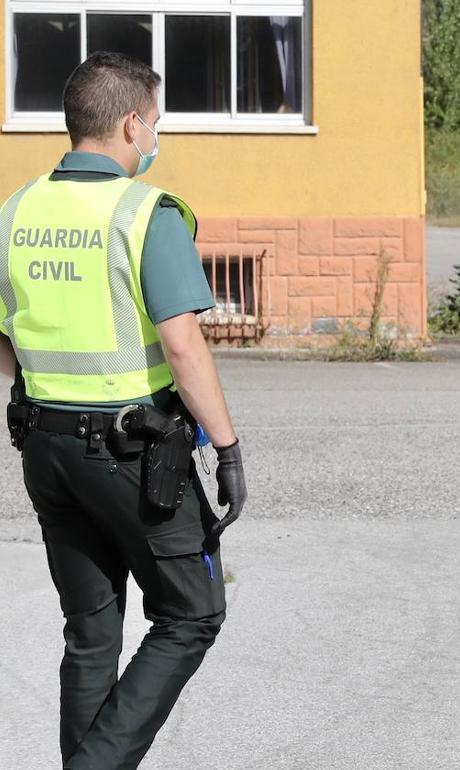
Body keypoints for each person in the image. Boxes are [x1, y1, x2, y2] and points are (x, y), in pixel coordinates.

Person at [0, 52, 246, 769]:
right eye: (157, 125)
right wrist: (227, 449)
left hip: (46, 448)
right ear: (132, 123)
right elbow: (184, 346)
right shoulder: (144, 212)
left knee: (91, 631)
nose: (156, 141)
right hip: (133, 455)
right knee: (193, 612)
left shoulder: (16, 211)